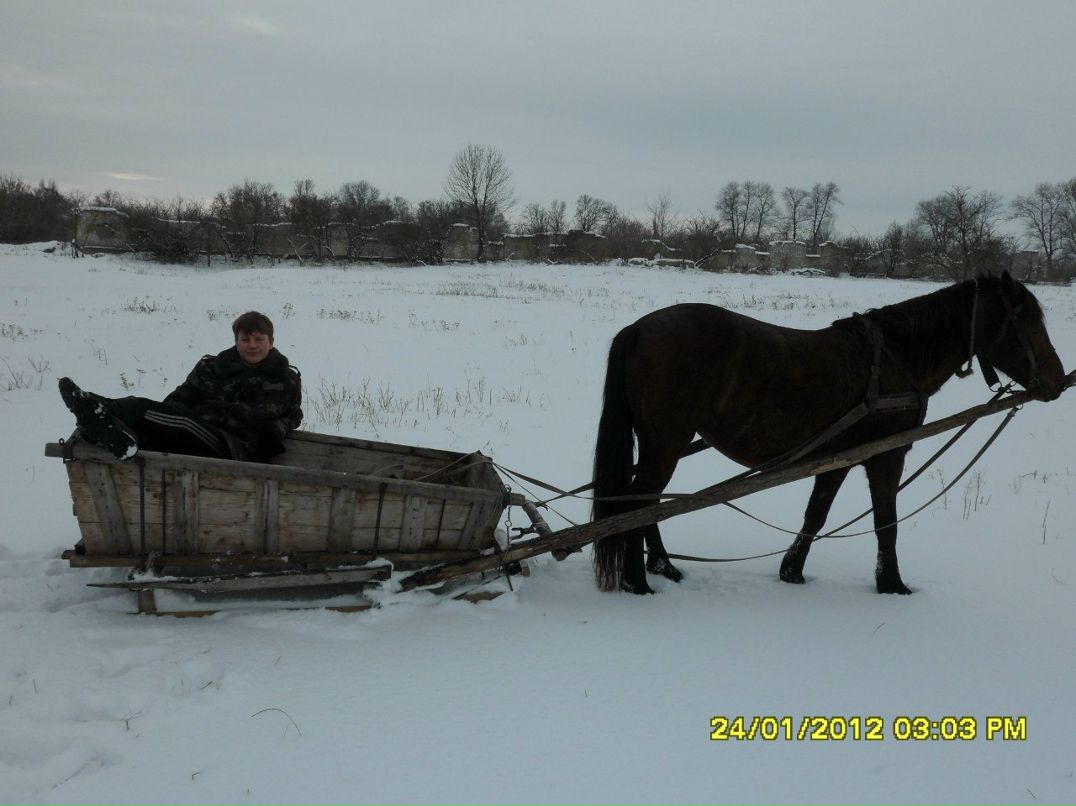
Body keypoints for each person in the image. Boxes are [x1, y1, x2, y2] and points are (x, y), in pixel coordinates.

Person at [59, 311, 302, 462]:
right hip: (195, 429)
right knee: (164, 422)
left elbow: (252, 417)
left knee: (169, 417)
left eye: (259, 339)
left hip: (234, 446)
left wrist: (197, 413)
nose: (252, 345)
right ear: (236, 342)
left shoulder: (282, 379)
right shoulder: (211, 367)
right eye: (245, 339)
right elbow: (180, 397)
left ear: (271, 342)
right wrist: (174, 414)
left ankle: (100, 408)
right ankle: (111, 432)